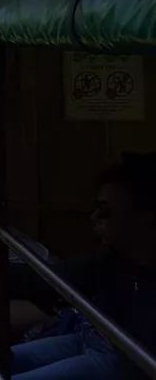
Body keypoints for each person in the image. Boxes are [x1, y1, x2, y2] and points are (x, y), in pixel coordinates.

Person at [10, 155, 156, 380]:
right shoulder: (111, 258)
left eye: (106, 211)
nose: (94, 217)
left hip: (123, 359)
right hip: (90, 337)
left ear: (145, 219)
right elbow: (46, 280)